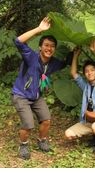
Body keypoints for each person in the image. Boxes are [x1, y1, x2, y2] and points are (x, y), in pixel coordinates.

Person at [11, 17, 71, 160]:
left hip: (36, 96)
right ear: (40, 47)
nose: (49, 48)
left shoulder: (53, 63)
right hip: (21, 95)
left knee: (46, 120)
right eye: (46, 45)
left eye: (52, 46)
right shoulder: (31, 57)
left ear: (54, 49)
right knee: (28, 124)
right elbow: (18, 41)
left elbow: (65, 63)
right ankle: (24, 145)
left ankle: (42, 141)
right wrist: (39, 29)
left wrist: (75, 50)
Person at [65, 39, 95, 153]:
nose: (89, 72)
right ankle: (94, 136)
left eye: (92, 70)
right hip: (89, 121)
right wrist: (75, 56)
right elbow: (74, 74)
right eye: (86, 71)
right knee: (68, 134)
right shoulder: (85, 86)